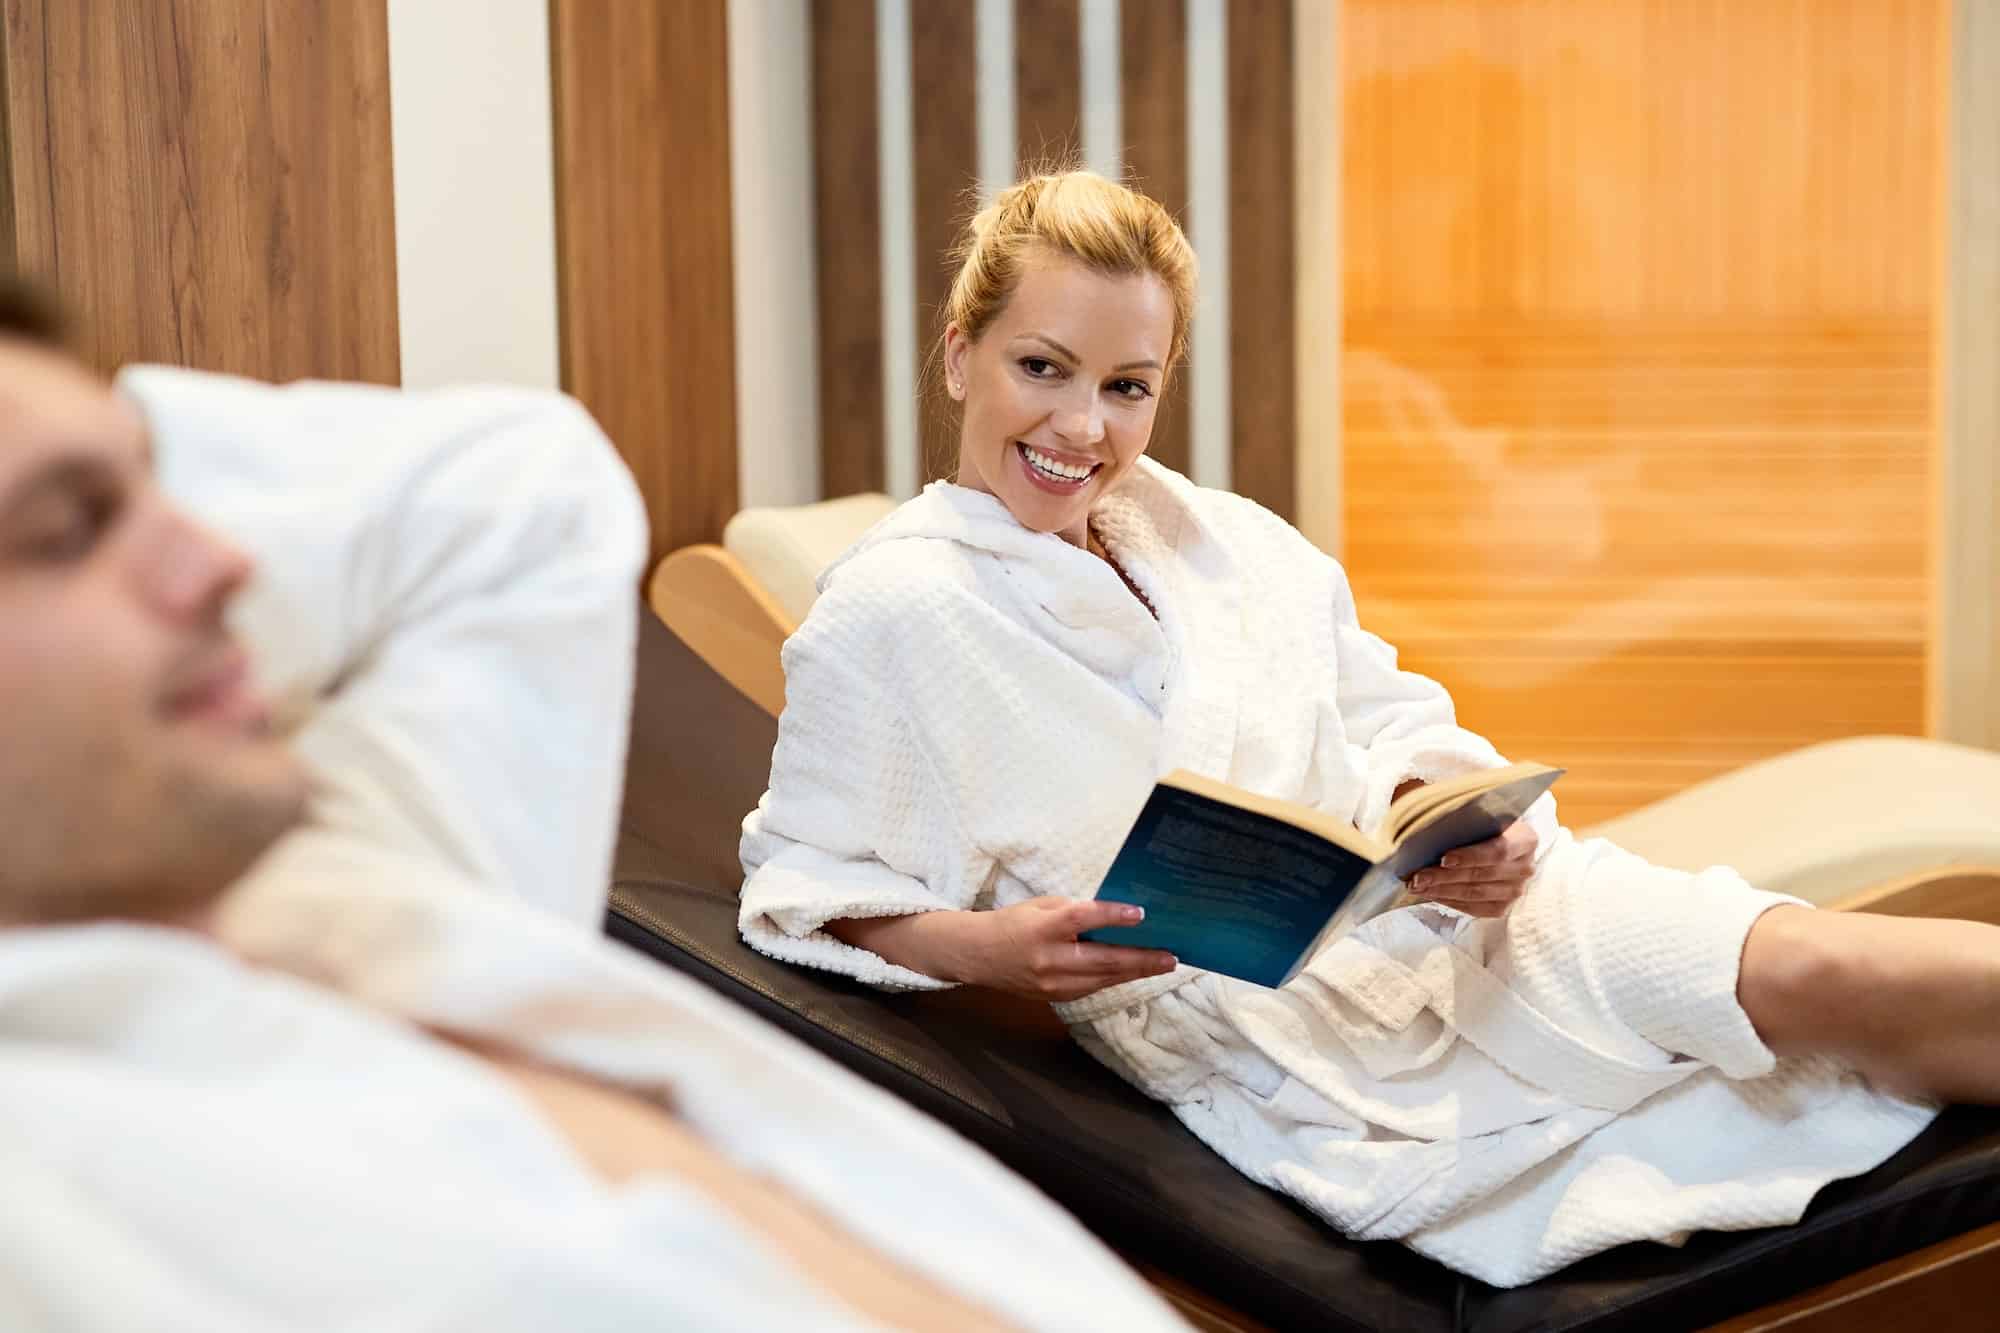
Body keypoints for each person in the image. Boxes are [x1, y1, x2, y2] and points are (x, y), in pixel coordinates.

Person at [738, 169, 2000, 1288]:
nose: (1083, 427)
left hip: (1480, 924)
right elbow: (802, 885)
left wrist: (1459, 820)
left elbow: (1389, 709)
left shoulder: (1209, 535)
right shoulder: (895, 607)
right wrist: (986, 949)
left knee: (1813, 966)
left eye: (1128, 386)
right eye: (1041, 367)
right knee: (1809, 1019)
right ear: (960, 354)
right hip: (1286, 1028)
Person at [0, 284, 1188, 1332]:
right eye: (66, 527)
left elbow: (524, 486)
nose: (226, 558)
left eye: (162, 478)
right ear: (957, 358)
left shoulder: (350, 873)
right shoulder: (61, 1178)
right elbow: (813, 872)